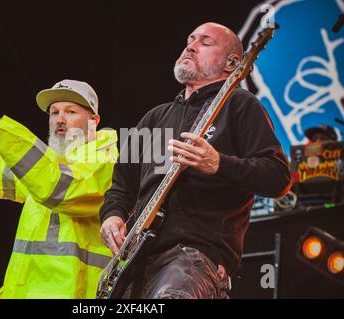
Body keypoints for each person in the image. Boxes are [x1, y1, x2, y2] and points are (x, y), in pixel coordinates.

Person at [99, 22, 292, 299]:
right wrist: (112, 217)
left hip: (195, 257)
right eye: (190, 39)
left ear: (232, 63)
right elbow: (121, 188)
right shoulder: (154, 118)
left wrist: (219, 164)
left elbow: (278, 178)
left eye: (205, 41)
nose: (190, 45)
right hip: (135, 261)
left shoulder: (241, 105)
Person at [0, 80, 118, 298]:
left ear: (94, 121)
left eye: (71, 111)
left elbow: (56, 187)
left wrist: (1, 129)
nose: (60, 120)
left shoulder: (106, 160)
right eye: (54, 112)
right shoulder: (46, 165)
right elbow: (4, 171)